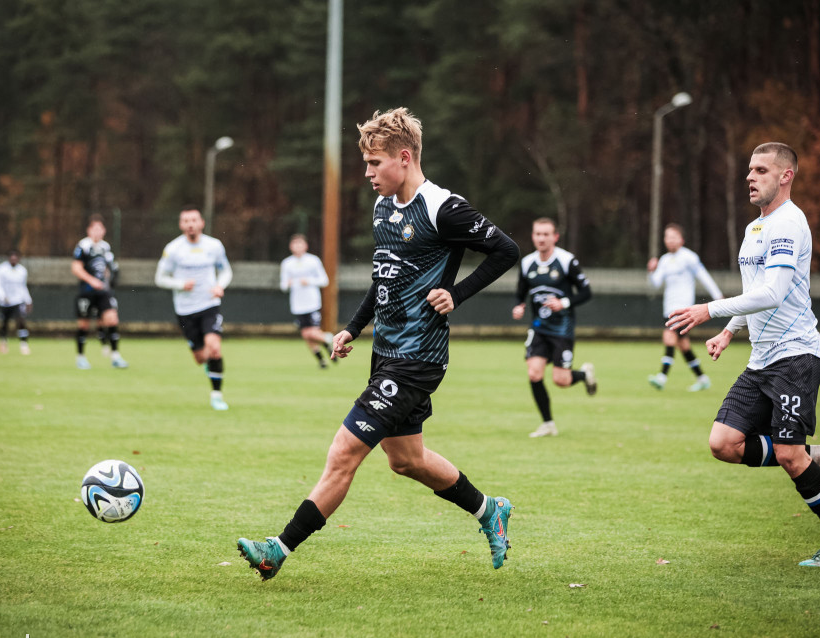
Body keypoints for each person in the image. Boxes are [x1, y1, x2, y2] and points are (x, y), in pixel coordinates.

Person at [237, 107, 521, 580]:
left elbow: (506, 249)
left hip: (418, 358)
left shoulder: (442, 208)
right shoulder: (383, 207)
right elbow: (383, 278)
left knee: (344, 452)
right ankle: (489, 509)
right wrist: (353, 326)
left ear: (404, 158)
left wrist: (458, 292)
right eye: (366, 164)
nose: (367, 174)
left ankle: (277, 550)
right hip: (386, 353)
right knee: (406, 460)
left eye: (374, 163)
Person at [667, 142, 820, 567]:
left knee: (791, 455)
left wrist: (708, 309)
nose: (750, 177)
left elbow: (773, 292)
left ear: (785, 176)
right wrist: (730, 331)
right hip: (762, 358)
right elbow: (758, 293)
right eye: (749, 170)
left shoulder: (789, 223)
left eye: (760, 170)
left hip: (796, 356)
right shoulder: (756, 227)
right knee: (723, 442)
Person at [511, 217, 597, 438]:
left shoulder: (567, 261)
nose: (541, 238)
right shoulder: (528, 263)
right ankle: (548, 424)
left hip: (562, 329)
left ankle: (584, 374)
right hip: (539, 328)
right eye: (537, 234)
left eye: (546, 234)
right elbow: (521, 292)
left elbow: (586, 292)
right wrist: (519, 306)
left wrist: (564, 303)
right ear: (533, 236)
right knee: (534, 373)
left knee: (561, 380)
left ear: (555, 237)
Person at [155, 205, 233, 410]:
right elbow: (160, 278)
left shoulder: (214, 246)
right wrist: (180, 284)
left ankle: (217, 395)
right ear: (181, 225)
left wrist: (219, 286)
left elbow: (226, 272)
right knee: (200, 358)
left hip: (209, 305)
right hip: (185, 310)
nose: (190, 224)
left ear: (201, 223)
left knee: (214, 348)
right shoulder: (173, 249)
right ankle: (209, 365)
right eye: (186, 221)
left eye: (194, 220)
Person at [646, 223, 723, 391]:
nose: (670, 240)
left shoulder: (689, 257)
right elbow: (655, 284)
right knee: (683, 346)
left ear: (681, 239)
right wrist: (651, 271)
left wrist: (717, 296)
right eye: (667, 237)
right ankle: (702, 379)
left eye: (673, 237)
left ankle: (662, 376)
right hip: (669, 308)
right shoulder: (665, 260)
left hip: (685, 309)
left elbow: (703, 276)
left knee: (669, 337)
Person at [71, 214, 128, 369]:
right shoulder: (83, 246)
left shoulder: (105, 247)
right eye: (94, 229)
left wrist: (108, 279)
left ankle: (115, 356)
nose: (97, 232)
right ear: (89, 230)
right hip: (86, 291)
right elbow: (76, 268)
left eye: (100, 229)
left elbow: (108, 269)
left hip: (103, 292)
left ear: (104, 230)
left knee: (112, 320)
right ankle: (81, 358)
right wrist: (92, 281)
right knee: (83, 325)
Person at [280, 233, 335, 369]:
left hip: (312, 303)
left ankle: (329, 339)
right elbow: (283, 285)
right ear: (291, 246)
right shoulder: (287, 263)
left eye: (300, 243)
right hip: (298, 305)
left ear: (305, 246)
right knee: (307, 335)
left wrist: (309, 281)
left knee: (311, 332)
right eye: (295, 244)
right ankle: (322, 360)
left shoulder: (313, 260)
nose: (297, 246)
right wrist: (288, 283)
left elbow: (324, 280)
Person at [0, 249, 32, 355]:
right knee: (4, 323)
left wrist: (28, 300)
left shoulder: (22, 270)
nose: (14, 259)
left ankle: (24, 345)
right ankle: (3, 342)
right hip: (4, 302)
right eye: (12, 257)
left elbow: (23, 287)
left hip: (17, 301)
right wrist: (2, 297)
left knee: (21, 322)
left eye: (16, 257)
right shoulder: (1, 269)